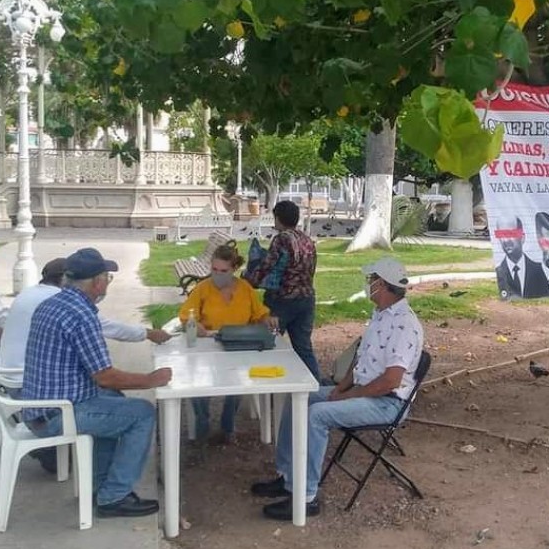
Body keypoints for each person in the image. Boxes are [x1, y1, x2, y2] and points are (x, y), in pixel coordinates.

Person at [250, 257, 423, 521]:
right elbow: (361, 359)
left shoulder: (404, 325)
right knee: (299, 396)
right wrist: (339, 388)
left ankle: (306, 497)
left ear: (384, 285)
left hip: (387, 403)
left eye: (371, 280)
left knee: (317, 414)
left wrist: (345, 396)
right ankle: (287, 478)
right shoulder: (381, 314)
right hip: (365, 391)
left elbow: (391, 381)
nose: (368, 285)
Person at [22, 247, 172, 518]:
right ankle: (114, 496)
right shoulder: (82, 315)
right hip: (57, 414)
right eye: (107, 278)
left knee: (114, 402)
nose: (107, 284)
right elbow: (104, 375)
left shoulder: (52, 303)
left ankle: (101, 488)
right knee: (142, 414)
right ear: (97, 282)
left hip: (39, 409)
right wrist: (151, 379)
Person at [179, 244, 278, 443]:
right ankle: (202, 423)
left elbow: (260, 314)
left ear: (233, 269)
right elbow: (185, 317)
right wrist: (194, 325)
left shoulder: (245, 289)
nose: (217, 274)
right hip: (208, 345)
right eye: (214, 270)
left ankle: (227, 426)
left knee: (238, 381)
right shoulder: (203, 288)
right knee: (197, 382)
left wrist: (268, 319)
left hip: (239, 345)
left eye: (223, 271)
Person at [0, 258, 172, 370]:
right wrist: (148, 333)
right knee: (135, 410)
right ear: (65, 280)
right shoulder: (63, 303)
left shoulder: (29, 293)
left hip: (13, 371)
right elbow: (108, 329)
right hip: (25, 379)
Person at [247, 200, 320, 380]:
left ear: (278, 218)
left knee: (268, 343)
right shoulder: (307, 239)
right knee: (303, 347)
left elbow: (267, 266)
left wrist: (249, 280)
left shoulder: (281, 239)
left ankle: (268, 388)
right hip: (307, 298)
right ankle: (314, 385)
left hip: (282, 299)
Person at [493, 215, 546, 299]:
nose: (506, 240)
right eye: (501, 234)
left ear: (522, 237)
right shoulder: (499, 272)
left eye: (511, 233)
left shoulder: (541, 271)